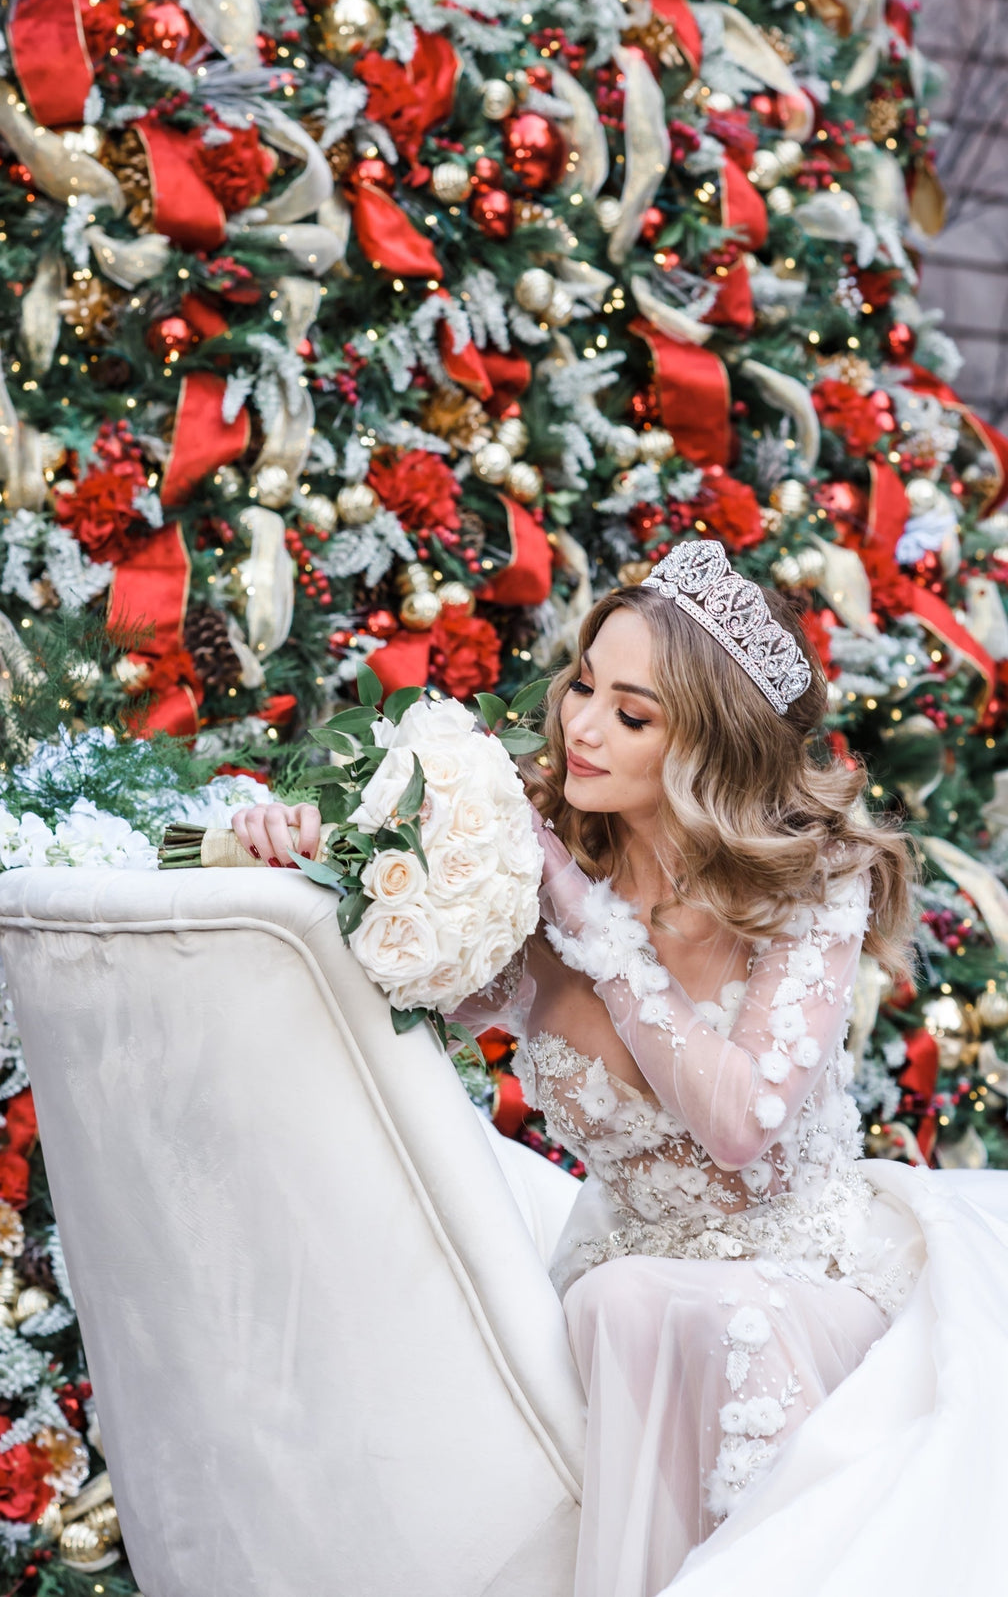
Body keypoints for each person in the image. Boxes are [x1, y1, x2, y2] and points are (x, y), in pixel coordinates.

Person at [234, 539, 1008, 1597]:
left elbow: (740, 1123)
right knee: (633, 1302)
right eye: (584, 687)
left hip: (809, 1283)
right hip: (626, 1286)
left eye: (632, 714)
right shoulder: (524, 872)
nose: (583, 728)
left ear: (708, 748)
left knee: (664, 1308)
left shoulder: (807, 887)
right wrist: (320, 857)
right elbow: (390, 987)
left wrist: (590, 921)